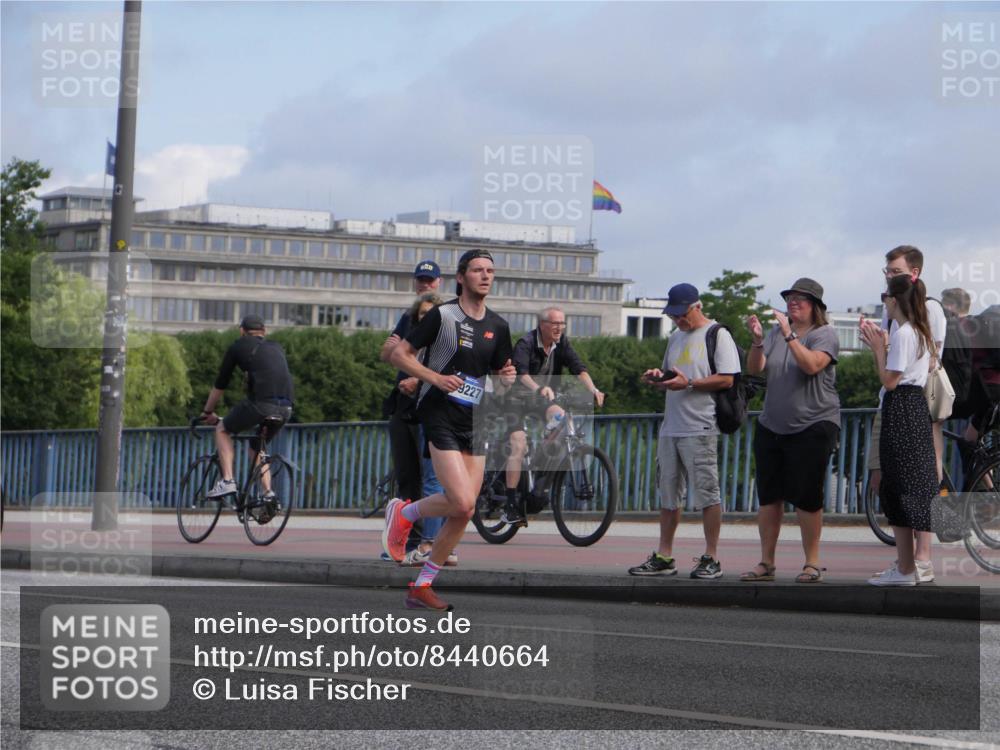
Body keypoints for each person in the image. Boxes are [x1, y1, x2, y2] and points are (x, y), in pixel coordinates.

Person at [384, 249, 516, 611]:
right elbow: (399, 355)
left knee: (465, 511)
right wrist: (435, 378)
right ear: (461, 277)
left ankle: (422, 586)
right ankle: (405, 514)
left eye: (490, 271)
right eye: (477, 270)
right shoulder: (442, 316)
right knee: (461, 500)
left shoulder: (499, 326)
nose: (485, 276)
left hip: (475, 417)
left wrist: (507, 378)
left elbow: (499, 379)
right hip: (438, 412)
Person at [629, 283, 740, 580]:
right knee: (668, 493)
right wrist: (658, 378)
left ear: (697, 306)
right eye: (673, 315)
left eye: (682, 314)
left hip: (700, 424)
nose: (678, 320)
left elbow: (727, 379)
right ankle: (664, 555)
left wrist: (689, 383)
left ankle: (711, 557)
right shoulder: (676, 337)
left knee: (708, 493)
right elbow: (673, 376)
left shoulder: (718, 334)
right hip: (671, 426)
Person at [741, 279, 840, 583]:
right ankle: (766, 562)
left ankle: (812, 562)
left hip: (813, 424)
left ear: (815, 306)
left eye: (801, 299)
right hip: (772, 424)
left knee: (807, 496)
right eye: (790, 298)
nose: (793, 302)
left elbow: (812, 365)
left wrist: (789, 335)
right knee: (769, 497)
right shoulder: (775, 333)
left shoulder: (824, 334)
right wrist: (758, 341)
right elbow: (755, 368)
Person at [865, 246, 947, 583]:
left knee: (898, 483)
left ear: (895, 300)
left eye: (887, 296)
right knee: (915, 481)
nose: (884, 300)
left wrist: (877, 350)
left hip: (901, 406)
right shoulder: (920, 331)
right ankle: (911, 565)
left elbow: (889, 380)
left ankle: (906, 567)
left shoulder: (904, 333)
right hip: (914, 407)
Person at [502, 305, 606, 527]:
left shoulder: (562, 343)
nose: (560, 327)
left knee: (563, 418)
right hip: (517, 400)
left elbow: (579, 368)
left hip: (541, 399)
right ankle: (510, 504)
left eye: (562, 323)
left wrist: (594, 390)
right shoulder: (526, 343)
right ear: (542, 325)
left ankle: (542, 460)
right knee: (518, 445)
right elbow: (521, 373)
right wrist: (539, 388)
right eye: (555, 323)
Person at [379, 261, 448, 563]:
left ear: (439, 282)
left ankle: (433, 544)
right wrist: (393, 353)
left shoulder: (447, 320)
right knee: (407, 476)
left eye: (429, 280)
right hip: (404, 406)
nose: (424, 284)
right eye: (421, 280)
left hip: (430, 407)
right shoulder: (408, 317)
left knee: (432, 479)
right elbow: (388, 354)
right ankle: (407, 542)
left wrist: (417, 378)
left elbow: (450, 365)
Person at [202, 314, 294, 500]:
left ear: (241, 331)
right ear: (264, 331)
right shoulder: (276, 347)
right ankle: (268, 494)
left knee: (222, 429)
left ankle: (227, 480)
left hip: (262, 405)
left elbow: (221, 384)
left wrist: (207, 412)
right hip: (286, 408)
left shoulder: (238, 346)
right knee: (256, 447)